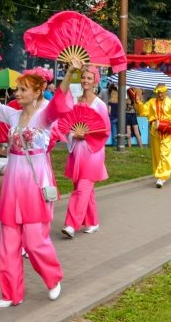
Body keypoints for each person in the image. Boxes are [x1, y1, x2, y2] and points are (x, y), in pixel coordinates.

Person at [0, 55, 74, 308]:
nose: (16, 93)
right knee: (8, 242)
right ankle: (10, 293)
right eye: (17, 89)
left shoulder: (45, 116)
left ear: (38, 91)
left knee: (34, 240)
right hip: (12, 185)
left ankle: (53, 279)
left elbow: (59, 100)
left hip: (34, 184)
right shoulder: (12, 115)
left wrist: (70, 72)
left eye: (22, 89)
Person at [61, 64, 110, 239]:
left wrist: (87, 135)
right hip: (76, 150)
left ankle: (71, 224)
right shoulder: (75, 101)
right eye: (83, 77)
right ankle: (92, 221)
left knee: (82, 187)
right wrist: (74, 133)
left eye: (89, 78)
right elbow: (66, 125)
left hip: (93, 151)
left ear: (95, 80)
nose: (85, 81)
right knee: (81, 186)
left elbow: (104, 130)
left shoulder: (100, 105)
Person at [134, 83, 171, 188]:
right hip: (155, 131)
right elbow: (143, 112)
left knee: (164, 153)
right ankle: (158, 173)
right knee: (156, 154)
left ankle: (162, 176)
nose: (160, 95)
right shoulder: (151, 102)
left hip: (168, 131)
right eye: (159, 93)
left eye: (162, 92)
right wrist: (138, 103)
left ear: (166, 92)